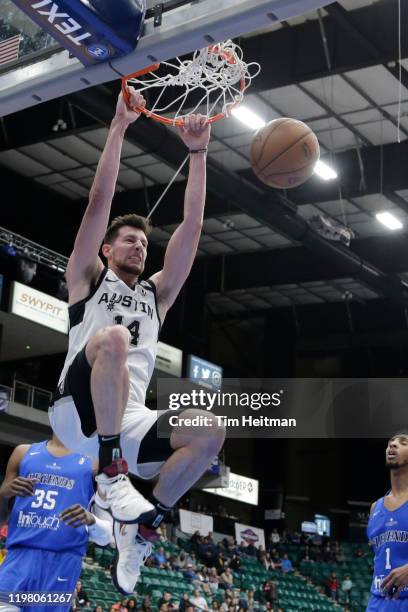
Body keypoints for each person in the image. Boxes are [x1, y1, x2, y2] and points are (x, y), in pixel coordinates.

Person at [48, 86, 225, 595]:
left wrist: (198, 153)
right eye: (129, 239)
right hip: (77, 410)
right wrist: (120, 126)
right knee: (113, 343)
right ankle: (109, 477)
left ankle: (143, 529)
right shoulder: (87, 278)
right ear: (106, 248)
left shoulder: (157, 295)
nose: (139, 244)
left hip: (128, 422)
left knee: (210, 430)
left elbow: (192, 228)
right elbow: (98, 201)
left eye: (144, 242)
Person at [0, 436, 111, 612]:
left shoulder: (96, 461)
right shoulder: (23, 452)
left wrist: (92, 519)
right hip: (18, 557)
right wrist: (3, 495)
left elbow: (106, 537)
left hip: (62, 565)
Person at [367, 432, 408, 608]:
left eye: (403, 443)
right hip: (378, 601)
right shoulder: (375, 508)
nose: (392, 445)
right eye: (390, 443)